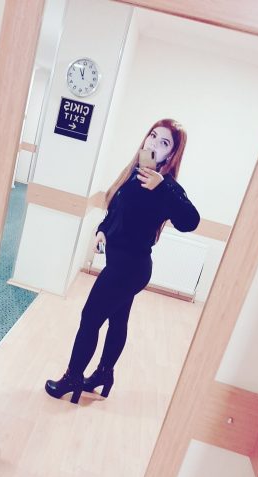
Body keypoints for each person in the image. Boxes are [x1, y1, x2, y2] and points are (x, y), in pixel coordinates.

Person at [45, 118, 200, 404]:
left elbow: (191, 221)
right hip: (123, 265)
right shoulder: (134, 176)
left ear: (171, 154)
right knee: (117, 320)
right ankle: (103, 374)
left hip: (129, 268)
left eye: (164, 142)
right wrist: (102, 230)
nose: (154, 144)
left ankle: (73, 377)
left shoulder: (166, 187)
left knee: (90, 318)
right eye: (152, 135)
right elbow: (115, 212)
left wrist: (163, 186)